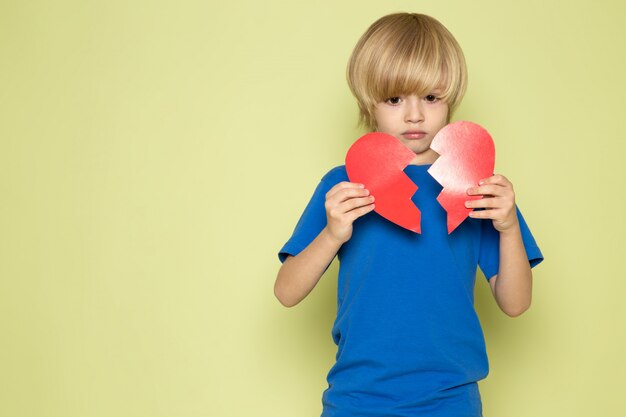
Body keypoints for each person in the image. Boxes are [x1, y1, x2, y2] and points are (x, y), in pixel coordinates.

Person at [274, 12, 544, 417]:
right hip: (356, 398)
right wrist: (332, 234)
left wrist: (507, 229)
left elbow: (515, 303)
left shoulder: (474, 183)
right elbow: (286, 292)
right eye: (394, 99)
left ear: (450, 98)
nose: (414, 115)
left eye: (431, 98)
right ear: (370, 103)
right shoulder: (344, 184)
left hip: (450, 399)